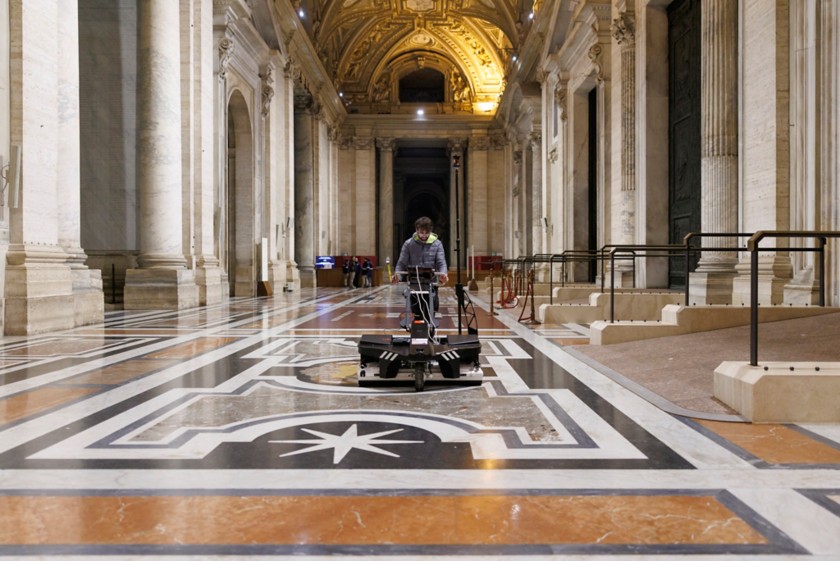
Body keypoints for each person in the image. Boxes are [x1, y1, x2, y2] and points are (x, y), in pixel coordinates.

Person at [392, 216, 449, 285]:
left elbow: (441, 263)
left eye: (427, 233)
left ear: (431, 231)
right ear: (416, 230)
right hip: (413, 282)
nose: (424, 235)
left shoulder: (437, 244)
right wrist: (398, 276)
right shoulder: (408, 244)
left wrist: (443, 275)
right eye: (421, 232)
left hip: (432, 282)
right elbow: (401, 263)